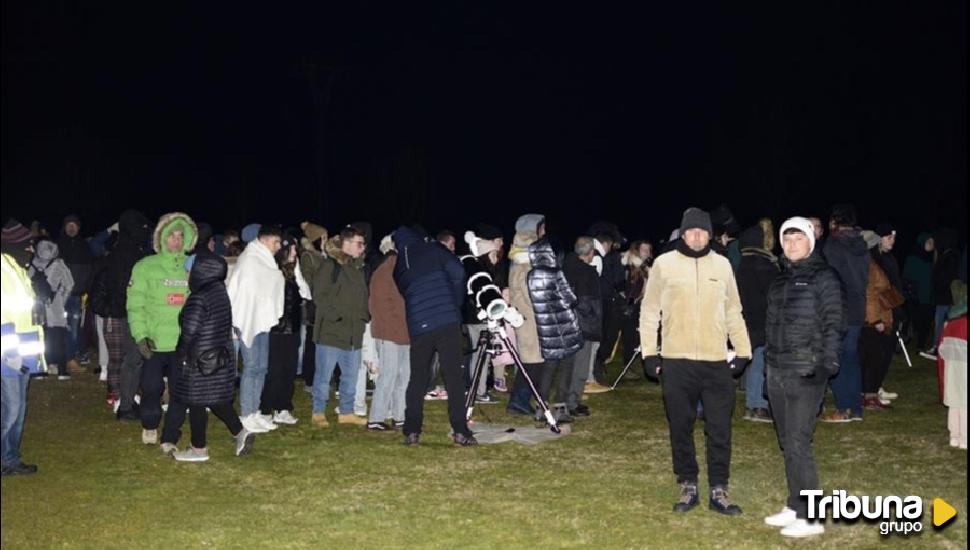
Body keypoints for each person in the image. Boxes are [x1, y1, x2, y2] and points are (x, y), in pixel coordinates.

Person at [640, 207, 752, 516]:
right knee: (681, 426)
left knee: (719, 428)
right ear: (683, 233)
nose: (697, 236)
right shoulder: (664, 264)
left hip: (716, 362)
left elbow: (733, 310)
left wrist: (743, 351)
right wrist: (649, 352)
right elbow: (650, 311)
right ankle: (688, 483)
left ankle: (719, 487)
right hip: (677, 361)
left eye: (702, 231)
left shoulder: (723, 265)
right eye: (691, 231)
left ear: (710, 234)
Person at [763, 217, 844, 538]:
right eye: (787, 239)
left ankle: (811, 517)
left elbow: (834, 322)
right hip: (777, 370)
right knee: (787, 442)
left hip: (807, 372)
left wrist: (826, 366)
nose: (792, 244)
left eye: (798, 238)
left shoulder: (825, 277)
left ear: (811, 241)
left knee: (798, 442)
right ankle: (796, 504)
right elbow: (771, 326)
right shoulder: (779, 281)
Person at [163, 253, 255, 461]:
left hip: (200, 359)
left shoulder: (199, 296)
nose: (187, 274)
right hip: (217, 356)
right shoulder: (218, 290)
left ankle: (198, 449)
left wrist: (181, 353)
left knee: (196, 400)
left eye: (189, 270)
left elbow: (190, 331)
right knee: (215, 399)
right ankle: (240, 433)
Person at [392, 225, 474, 446]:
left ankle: (412, 432)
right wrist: (455, 300)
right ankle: (460, 431)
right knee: (453, 378)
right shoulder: (433, 249)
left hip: (419, 326)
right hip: (446, 319)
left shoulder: (399, 266)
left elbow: (406, 293)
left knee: (417, 379)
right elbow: (457, 271)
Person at [127, 212, 197, 445]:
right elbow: (135, 305)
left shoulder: (191, 267)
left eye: (180, 236)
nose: (176, 241)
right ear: (161, 238)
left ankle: (170, 436)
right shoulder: (145, 267)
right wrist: (141, 336)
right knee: (151, 388)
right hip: (154, 342)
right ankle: (149, 424)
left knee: (179, 392)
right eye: (171, 236)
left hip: (182, 343)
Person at [304, 226, 369, 428]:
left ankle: (346, 412)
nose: (363, 247)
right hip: (331, 333)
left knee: (350, 376)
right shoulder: (329, 266)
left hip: (353, 334)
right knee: (324, 376)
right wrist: (337, 317)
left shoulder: (357, 269)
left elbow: (362, 299)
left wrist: (363, 317)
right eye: (360, 243)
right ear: (347, 244)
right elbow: (319, 296)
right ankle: (318, 412)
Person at [89, 210, 151, 419]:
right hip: (122, 315)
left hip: (129, 314)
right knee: (125, 360)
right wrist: (110, 309)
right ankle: (122, 403)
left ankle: (127, 401)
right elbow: (102, 288)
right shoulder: (122, 256)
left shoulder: (137, 253)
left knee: (130, 360)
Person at [226, 225, 285, 433]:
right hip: (247, 319)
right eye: (275, 242)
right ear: (263, 240)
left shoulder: (265, 260)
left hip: (260, 319)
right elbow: (244, 290)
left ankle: (255, 411)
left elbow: (272, 283)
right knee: (251, 367)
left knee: (262, 367)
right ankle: (246, 413)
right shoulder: (250, 259)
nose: (278, 247)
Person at [1, 223, 45, 477]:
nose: (31, 249)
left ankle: (10, 459)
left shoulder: (17, 269)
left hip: (22, 354)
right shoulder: (4, 269)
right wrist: (11, 354)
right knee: (11, 411)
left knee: (18, 412)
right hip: (9, 356)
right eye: (28, 244)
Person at [529, 233, 583, 422]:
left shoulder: (531, 275)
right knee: (566, 367)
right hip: (565, 327)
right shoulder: (556, 273)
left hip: (546, 329)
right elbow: (570, 298)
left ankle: (540, 407)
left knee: (548, 368)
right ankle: (561, 408)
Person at [821, 204, 868, 422]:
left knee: (836, 356)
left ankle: (843, 408)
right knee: (851, 357)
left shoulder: (834, 244)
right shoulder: (862, 244)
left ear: (835, 222)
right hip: (858, 307)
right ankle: (855, 408)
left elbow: (831, 277)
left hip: (839, 307)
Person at [366, 235, 410, 431]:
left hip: (402, 331)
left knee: (403, 376)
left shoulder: (397, 269)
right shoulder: (387, 270)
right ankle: (376, 418)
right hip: (389, 333)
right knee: (390, 376)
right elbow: (379, 305)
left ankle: (400, 415)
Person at [737, 224, 780, 422]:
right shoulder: (763, 264)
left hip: (748, 318)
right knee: (761, 361)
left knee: (756, 359)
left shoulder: (743, 263)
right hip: (764, 319)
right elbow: (774, 293)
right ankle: (758, 405)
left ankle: (754, 403)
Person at [260, 234, 302, 426]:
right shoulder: (272, 272)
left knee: (289, 370)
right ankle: (266, 409)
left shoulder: (294, 273)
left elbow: (303, 295)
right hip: (276, 330)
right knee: (274, 370)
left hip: (292, 329)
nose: (295, 253)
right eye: (292, 250)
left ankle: (283, 407)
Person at [562, 236, 602, 417]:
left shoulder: (564, 267)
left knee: (566, 365)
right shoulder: (587, 273)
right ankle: (572, 402)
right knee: (580, 366)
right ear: (591, 252)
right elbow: (588, 302)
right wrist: (595, 317)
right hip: (582, 324)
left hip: (565, 322)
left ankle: (564, 399)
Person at [29, 240, 74, 380]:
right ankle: (61, 371)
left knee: (40, 339)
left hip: (36, 306)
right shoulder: (59, 264)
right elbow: (70, 284)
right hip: (55, 306)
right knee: (59, 338)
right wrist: (61, 298)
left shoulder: (32, 263)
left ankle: (41, 370)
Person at [56, 214, 94, 367]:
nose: (71, 228)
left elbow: (90, 269)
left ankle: (74, 355)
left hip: (77, 295)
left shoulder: (84, 246)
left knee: (75, 325)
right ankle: (63, 356)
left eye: (74, 225)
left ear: (78, 227)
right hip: (59, 295)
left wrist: (86, 289)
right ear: (64, 227)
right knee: (59, 326)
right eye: (68, 225)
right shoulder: (57, 246)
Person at [938, 281, 967, 450]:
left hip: (952, 369)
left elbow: (941, 349)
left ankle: (954, 436)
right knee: (965, 404)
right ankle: (964, 437)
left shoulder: (950, 323)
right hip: (964, 370)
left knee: (955, 404)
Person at [903, 232, 936, 355]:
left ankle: (920, 346)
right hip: (915, 296)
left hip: (928, 297)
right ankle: (906, 339)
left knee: (925, 323)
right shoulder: (912, 258)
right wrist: (910, 293)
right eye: (929, 242)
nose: (932, 245)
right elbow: (906, 278)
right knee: (914, 320)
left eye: (933, 243)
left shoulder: (933, 259)